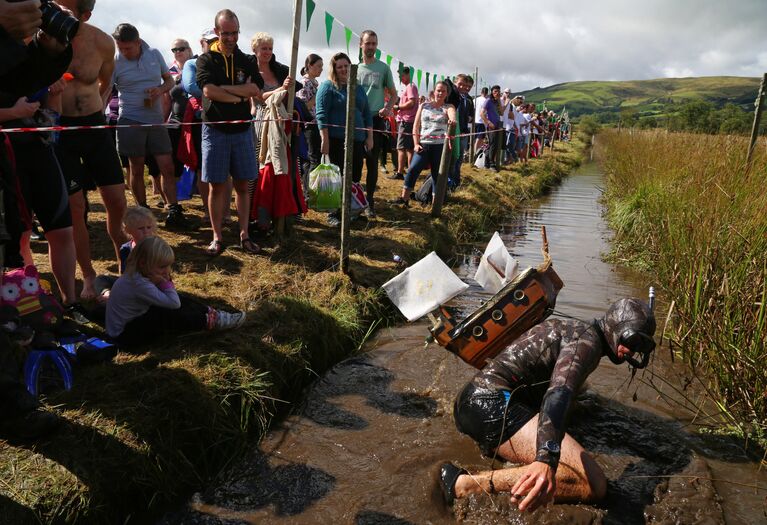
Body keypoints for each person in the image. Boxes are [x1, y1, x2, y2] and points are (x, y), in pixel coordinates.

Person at [439, 298, 658, 513]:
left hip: (472, 401)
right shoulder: (588, 343)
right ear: (614, 326)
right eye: (630, 340)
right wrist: (546, 459)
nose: (631, 351)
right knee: (594, 484)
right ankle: (464, 484)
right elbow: (559, 393)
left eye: (640, 346)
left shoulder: (576, 329)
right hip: (490, 405)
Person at [54, 0, 128, 302]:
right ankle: (88, 276)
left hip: (95, 128)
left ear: (86, 14)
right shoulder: (42, 39)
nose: (60, 11)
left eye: (68, 7)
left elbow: (105, 82)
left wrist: (91, 104)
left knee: (117, 202)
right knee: (76, 209)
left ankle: (126, 273)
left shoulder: (101, 42)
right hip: (62, 132)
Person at [196, 9, 263, 256]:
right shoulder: (205, 60)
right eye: (226, 33)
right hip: (214, 131)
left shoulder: (246, 59)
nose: (231, 38)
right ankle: (217, 236)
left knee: (243, 185)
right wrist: (238, 94)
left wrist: (226, 91)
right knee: (216, 186)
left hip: (242, 130)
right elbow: (208, 92)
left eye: (234, 33)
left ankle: (244, 234)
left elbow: (255, 88)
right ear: (216, 32)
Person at [111, 23, 190, 229]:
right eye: (120, 47)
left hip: (155, 120)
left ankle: (173, 210)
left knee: (167, 166)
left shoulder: (154, 54)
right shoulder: (115, 61)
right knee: (136, 167)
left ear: (138, 42)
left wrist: (160, 89)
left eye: (127, 48)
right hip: (130, 120)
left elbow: (170, 82)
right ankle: (142, 210)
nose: (124, 52)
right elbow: (105, 89)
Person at [105, 236, 246, 347]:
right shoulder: (139, 284)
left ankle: (209, 312)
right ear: (143, 263)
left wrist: (163, 283)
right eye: (162, 267)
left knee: (172, 299)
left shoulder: (137, 274)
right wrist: (165, 282)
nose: (167, 271)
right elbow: (174, 303)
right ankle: (207, 321)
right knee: (168, 313)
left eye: (168, 266)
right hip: (125, 336)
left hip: (126, 326)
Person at [315, 52, 373, 227]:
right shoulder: (327, 87)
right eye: (339, 66)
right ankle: (334, 214)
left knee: (354, 176)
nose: (343, 69)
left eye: (346, 66)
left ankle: (350, 211)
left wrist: (369, 137)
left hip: (357, 140)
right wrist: (324, 139)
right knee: (336, 177)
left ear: (351, 67)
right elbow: (321, 114)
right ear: (334, 69)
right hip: (336, 140)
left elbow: (367, 114)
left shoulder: (358, 88)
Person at [390, 81, 456, 207]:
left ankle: (435, 204)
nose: (440, 93)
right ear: (434, 91)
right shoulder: (424, 106)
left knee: (438, 175)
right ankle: (404, 199)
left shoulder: (448, 107)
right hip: (423, 144)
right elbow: (416, 127)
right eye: (438, 90)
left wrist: (452, 120)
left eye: (443, 91)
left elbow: (452, 116)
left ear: (447, 94)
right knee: (412, 169)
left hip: (440, 146)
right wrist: (415, 144)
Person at [357, 29, 397, 217]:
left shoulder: (383, 68)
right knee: (355, 161)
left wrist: (388, 108)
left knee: (373, 162)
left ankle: (370, 202)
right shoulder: (354, 69)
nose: (371, 47)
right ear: (361, 44)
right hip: (356, 120)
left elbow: (394, 94)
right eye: (368, 43)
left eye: (374, 43)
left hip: (376, 120)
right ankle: (355, 200)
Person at [181, 28, 219, 221]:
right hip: (199, 119)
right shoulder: (192, 63)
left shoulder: (225, 63)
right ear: (201, 42)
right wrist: (219, 93)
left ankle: (225, 212)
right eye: (209, 41)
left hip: (222, 118)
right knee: (203, 166)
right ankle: (207, 209)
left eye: (216, 41)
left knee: (224, 167)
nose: (212, 45)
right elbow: (189, 86)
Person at [296, 53, 323, 178]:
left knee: (315, 157)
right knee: (311, 159)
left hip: (316, 123)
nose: (321, 69)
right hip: (309, 125)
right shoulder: (304, 83)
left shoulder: (315, 83)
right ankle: (308, 191)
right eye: (318, 66)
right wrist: (317, 96)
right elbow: (303, 107)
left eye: (322, 66)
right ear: (309, 66)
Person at [390, 65, 418, 181]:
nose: (400, 78)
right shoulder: (410, 86)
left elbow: (411, 103)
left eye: (401, 75)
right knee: (409, 148)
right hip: (409, 120)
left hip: (406, 120)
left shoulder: (410, 86)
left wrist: (398, 107)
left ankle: (400, 172)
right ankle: (410, 172)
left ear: (407, 75)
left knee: (401, 148)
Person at [473, 86, 488, 154]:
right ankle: (475, 154)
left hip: (475, 121)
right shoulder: (486, 101)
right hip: (481, 122)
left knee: (478, 139)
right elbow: (485, 112)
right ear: (487, 93)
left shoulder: (475, 99)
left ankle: (478, 153)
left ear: (481, 92)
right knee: (479, 139)